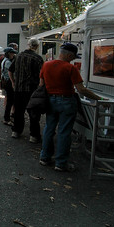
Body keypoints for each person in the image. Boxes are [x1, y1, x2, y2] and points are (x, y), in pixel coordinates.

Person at [39, 43, 104, 172]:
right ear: (69, 54)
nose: (74, 59)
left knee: (49, 129)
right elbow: (81, 89)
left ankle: (45, 157)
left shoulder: (46, 65)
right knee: (64, 132)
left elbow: (41, 85)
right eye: (73, 56)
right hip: (67, 101)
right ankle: (61, 163)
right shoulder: (70, 68)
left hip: (50, 101)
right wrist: (100, 99)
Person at [8, 38, 43, 142]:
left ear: (28, 45)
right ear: (36, 46)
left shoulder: (18, 56)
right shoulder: (38, 58)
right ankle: (34, 135)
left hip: (18, 89)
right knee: (33, 113)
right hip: (32, 90)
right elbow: (42, 75)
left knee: (19, 111)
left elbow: (10, 70)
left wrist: (13, 82)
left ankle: (16, 131)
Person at [0, 47, 17, 125]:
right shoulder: (8, 62)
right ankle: (7, 118)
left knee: (10, 100)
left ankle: (7, 117)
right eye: (12, 53)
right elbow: (13, 71)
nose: (13, 54)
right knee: (10, 101)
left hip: (6, 81)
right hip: (9, 82)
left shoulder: (4, 60)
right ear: (9, 53)